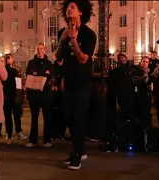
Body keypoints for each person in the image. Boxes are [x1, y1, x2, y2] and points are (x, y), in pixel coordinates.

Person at [55, 0, 97, 170]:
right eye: (67, 7)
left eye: (72, 7)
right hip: (68, 81)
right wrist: (63, 40)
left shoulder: (88, 34)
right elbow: (58, 57)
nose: (68, 9)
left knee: (78, 117)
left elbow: (83, 59)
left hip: (83, 82)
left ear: (81, 12)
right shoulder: (62, 32)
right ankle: (79, 148)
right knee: (69, 116)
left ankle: (77, 154)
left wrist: (73, 39)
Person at [25, 43, 54, 148]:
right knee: (34, 118)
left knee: (47, 118)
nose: (40, 51)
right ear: (36, 50)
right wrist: (43, 74)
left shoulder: (49, 63)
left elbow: (50, 75)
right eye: (38, 49)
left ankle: (47, 140)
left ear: (44, 50)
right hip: (34, 94)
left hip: (46, 94)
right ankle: (33, 140)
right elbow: (29, 74)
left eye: (41, 49)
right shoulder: (31, 62)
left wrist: (38, 74)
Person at [3, 53, 27, 144]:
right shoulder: (4, 69)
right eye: (7, 58)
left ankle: (19, 131)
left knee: (17, 115)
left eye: (10, 58)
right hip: (7, 94)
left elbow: (21, 79)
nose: (8, 60)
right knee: (8, 115)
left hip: (16, 94)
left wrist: (23, 93)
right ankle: (9, 134)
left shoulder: (17, 69)